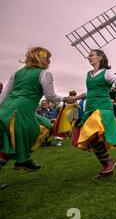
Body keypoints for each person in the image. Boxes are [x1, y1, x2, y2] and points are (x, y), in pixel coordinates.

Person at [0, 47, 71, 189]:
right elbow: (50, 96)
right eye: (48, 58)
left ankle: (23, 158)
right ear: (43, 59)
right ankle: (23, 159)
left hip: (6, 110)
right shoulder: (44, 74)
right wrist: (65, 98)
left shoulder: (16, 73)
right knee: (34, 131)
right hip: (22, 111)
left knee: (9, 140)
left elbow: (3, 96)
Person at [68, 49, 116, 179]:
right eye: (88, 55)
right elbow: (89, 92)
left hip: (103, 108)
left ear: (100, 57)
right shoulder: (88, 74)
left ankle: (107, 162)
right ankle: (107, 164)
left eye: (92, 55)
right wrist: (76, 97)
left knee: (92, 132)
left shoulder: (106, 73)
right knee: (91, 138)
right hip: (90, 108)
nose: (89, 57)